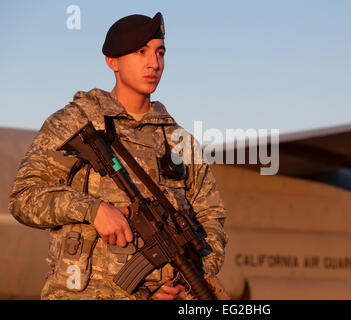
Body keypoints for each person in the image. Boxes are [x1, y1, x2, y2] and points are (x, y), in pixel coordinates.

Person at [8, 12, 227, 300]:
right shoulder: (76, 122)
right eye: (141, 52)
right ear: (112, 62)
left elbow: (212, 217)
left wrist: (184, 281)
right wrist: (92, 209)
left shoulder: (179, 140)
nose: (154, 63)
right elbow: (24, 196)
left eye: (160, 52)